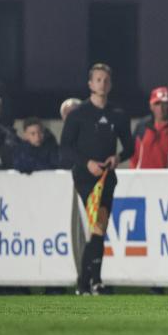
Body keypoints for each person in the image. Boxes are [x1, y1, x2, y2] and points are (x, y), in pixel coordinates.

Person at [59, 64, 134, 295]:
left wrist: (117, 157)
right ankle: (90, 281)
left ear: (110, 84)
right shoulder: (78, 114)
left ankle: (89, 281)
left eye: (106, 80)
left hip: (106, 178)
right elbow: (66, 147)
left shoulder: (118, 115)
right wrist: (87, 163)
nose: (102, 83)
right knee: (97, 225)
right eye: (98, 79)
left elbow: (130, 146)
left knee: (99, 228)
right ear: (90, 84)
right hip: (85, 178)